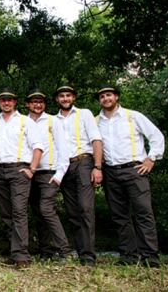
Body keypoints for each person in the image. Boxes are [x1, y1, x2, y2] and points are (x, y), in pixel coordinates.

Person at [96, 84, 164, 268]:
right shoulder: (96, 121)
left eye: (109, 95)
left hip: (135, 170)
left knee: (144, 212)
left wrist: (151, 158)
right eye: (102, 96)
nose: (106, 99)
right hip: (110, 171)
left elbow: (156, 136)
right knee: (120, 216)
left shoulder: (132, 116)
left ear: (116, 97)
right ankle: (128, 256)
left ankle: (150, 257)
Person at [0, 88, 42, 269]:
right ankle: (14, 253)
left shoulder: (25, 121)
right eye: (3, 100)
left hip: (20, 169)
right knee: (7, 213)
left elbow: (38, 147)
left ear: (15, 102)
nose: (6, 103)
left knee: (19, 212)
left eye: (9, 100)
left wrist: (31, 169)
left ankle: (22, 256)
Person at [54, 83, 102, 267]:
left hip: (83, 162)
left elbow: (96, 139)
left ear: (73, 97)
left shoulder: (84, 114)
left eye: (68, 95)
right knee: (73, 212)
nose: (65, 99)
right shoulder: (54, 119)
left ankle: (89, 256)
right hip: (65, 166)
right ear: (57, 99)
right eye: (61, 96)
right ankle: (82, 253)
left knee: (86, 208)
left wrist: (97, 167)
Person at [24, 88, 72, 264]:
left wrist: (59, 175)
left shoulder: (53, 121)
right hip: (30, 174)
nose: (38, 105)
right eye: (34, 102)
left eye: (41, 102)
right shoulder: (23, 122)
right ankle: (46, 253)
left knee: (46, 209)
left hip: (50, 173)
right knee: (37, 213)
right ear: (28, 104)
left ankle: (65, 251)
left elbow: (63, 149)